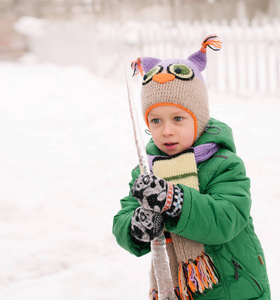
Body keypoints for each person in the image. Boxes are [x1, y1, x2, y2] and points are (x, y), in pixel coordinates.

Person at [112, 35, 270, 300]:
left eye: (178, 118)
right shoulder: (148, 171)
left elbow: (225, 219)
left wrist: (174, 201)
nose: (166, 131)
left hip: (235, 287)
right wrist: (137, 227)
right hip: (176, 289)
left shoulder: (224, 164)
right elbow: (124, 216)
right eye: (156, 120)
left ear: (199, 118)